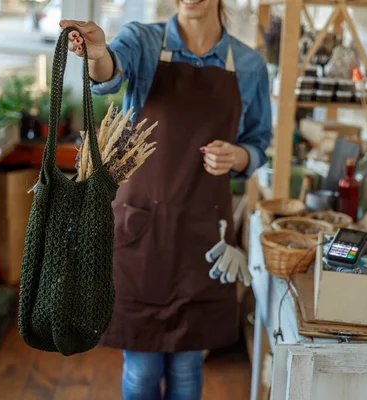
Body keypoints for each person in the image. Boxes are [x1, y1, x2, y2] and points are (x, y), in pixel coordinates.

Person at [60, 0, 271, 398]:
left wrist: (238, 156)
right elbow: (108, 73)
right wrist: (99, 54)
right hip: (141, 233)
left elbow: (258, 142)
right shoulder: (143, 40)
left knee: (188, 368)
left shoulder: (248, 65)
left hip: (202, 237)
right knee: (141, 370)